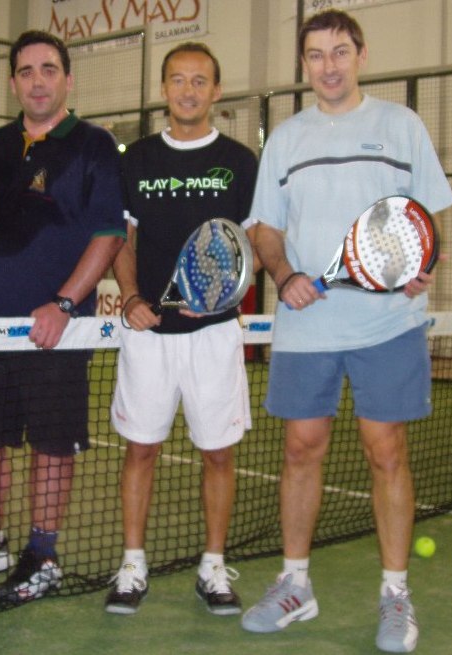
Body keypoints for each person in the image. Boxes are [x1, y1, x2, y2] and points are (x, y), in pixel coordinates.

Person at [239, 10, 452, 653]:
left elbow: (426, 219)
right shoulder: (285, 139)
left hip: (388, 323)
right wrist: (283, 271)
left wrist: (424, 268)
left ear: (361, 54)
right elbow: (265, 228)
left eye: (339, 51)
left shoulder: (400, 125)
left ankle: (395, 594)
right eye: (315, 54)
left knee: (384, 450)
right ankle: (295, 585)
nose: (328, 65)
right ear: (303, 64)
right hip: (308, 324)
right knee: (301, 450)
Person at [0, 30, 125, 603]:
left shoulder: (95, 145)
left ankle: (42, 553)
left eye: (48, 69)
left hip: (56, 330)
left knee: (50, 445)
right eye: (25, 71)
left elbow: (109, 235)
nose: (36, 80)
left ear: (67, 78)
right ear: (13, 81)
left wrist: (64, 304)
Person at [104, 42, 259, 616]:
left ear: (216, 92)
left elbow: (254, 243)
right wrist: (133, 297)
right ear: (164, 89)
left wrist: (223, 293)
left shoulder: (242, 162)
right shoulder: (137, 159)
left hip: (215, 335)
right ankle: (132, 565)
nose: (188, 90)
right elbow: (123, 238)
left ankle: (213, 567)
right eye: (178, 80)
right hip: (147, 332)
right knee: (141, 449)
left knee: (218, 454)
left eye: (200, 81)